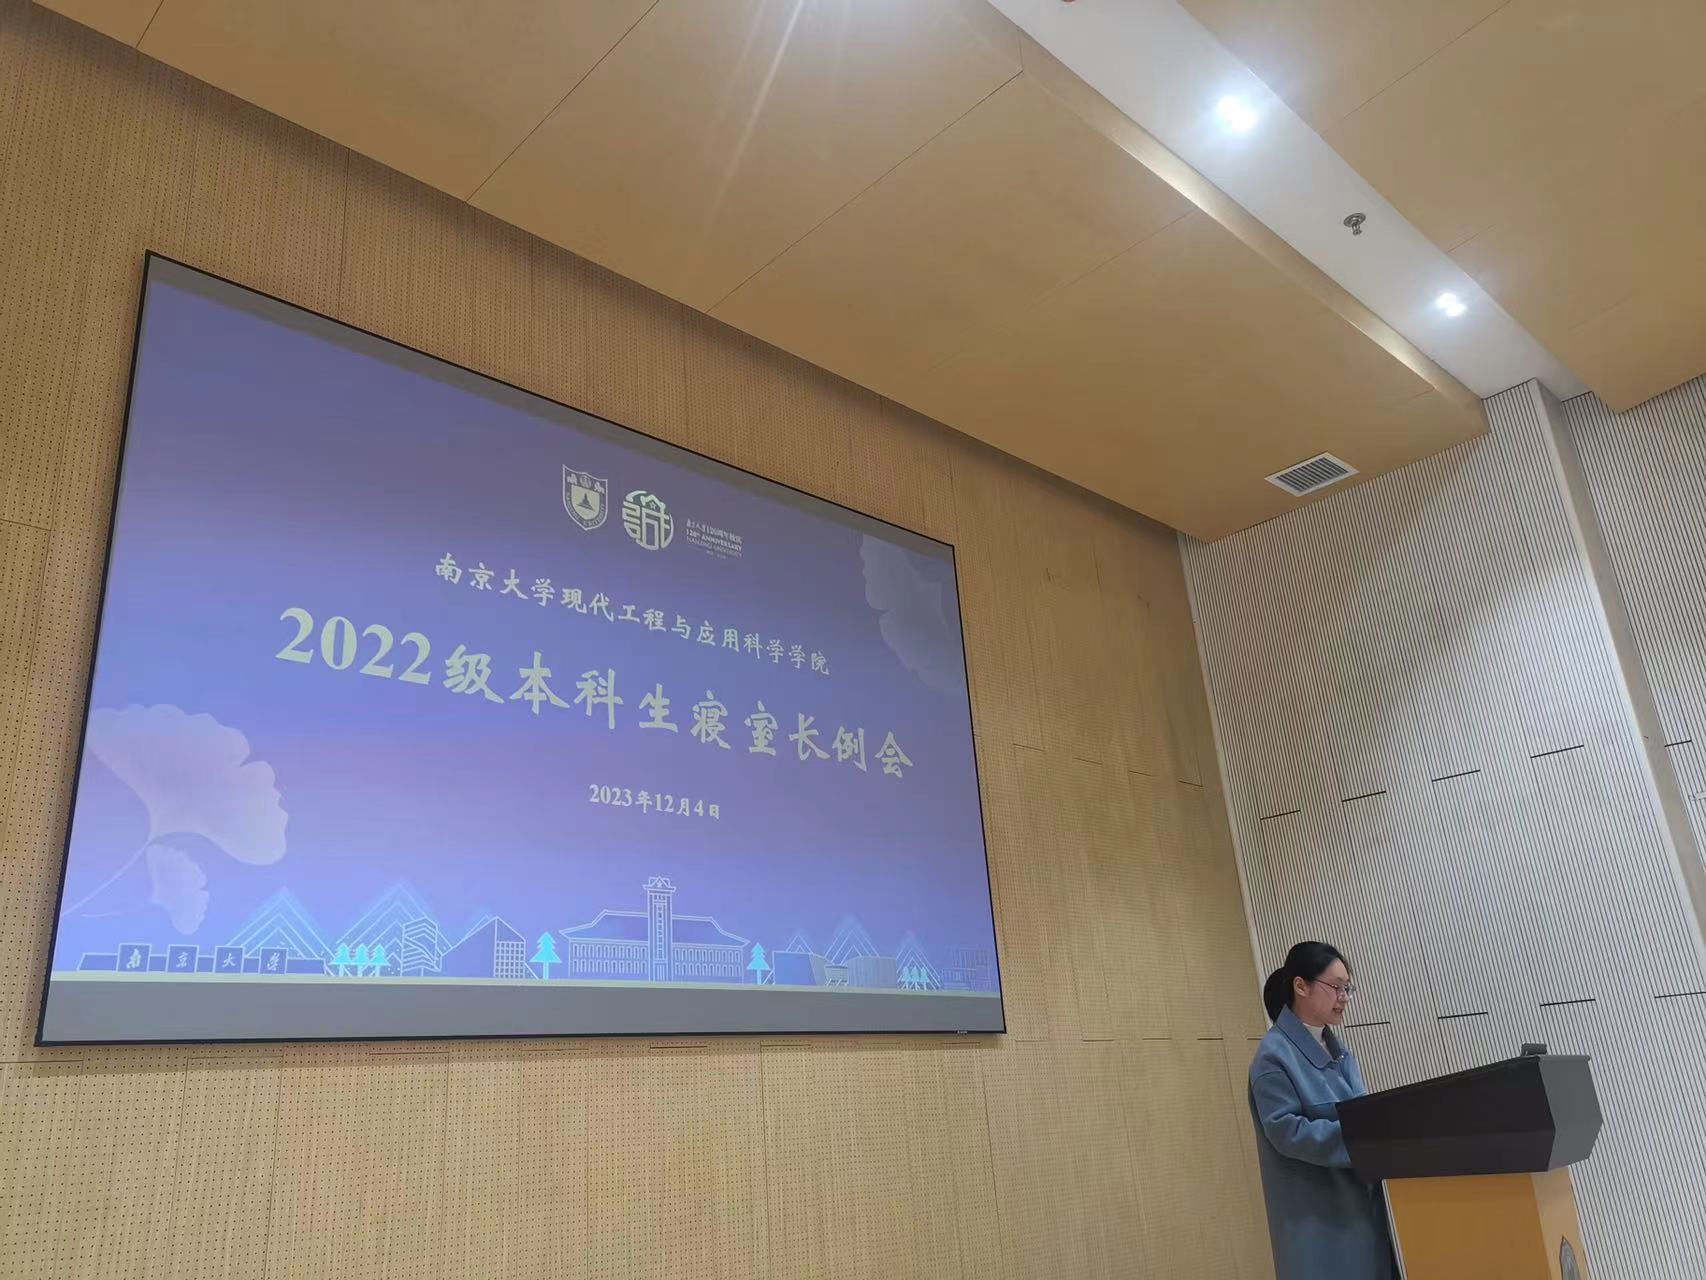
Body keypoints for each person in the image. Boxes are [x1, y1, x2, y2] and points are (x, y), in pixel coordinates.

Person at [1248, 941, 1397, 1279]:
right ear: (1301, 986)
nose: (1344, 997)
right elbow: (1287, 1132)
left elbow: (1361, 1113)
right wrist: (1364, 1140)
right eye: (1337, 987)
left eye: (1348, 989)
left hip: (1360, 1209)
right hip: (1318, 1222)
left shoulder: (1339, 1050)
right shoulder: (1273, 1058)